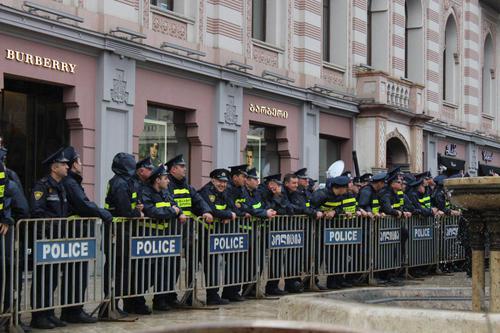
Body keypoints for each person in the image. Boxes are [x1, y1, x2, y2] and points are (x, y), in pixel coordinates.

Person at [60, 146, 111, 323]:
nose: (82, 164)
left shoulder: (73, 182)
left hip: (78, 234)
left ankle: (73, 309)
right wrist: (102, 213)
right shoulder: (70, 183)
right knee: (76, 273)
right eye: (79, 161)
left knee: (78, 272)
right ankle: (73, 311)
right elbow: (82, 204)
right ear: (73, 164)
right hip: (74, 234)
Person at [29, 148, 70, 329]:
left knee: (53, 277)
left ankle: (49, 312)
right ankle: (38, 316)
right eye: (63, 164)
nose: (67, 167)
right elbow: (37, 211)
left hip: (58, 239)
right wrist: (52, 225)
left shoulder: (61, 187)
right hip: (45, 238)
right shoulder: (42, 186)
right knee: (42, 278)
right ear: (54, 167)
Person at [166, 154, 213, 306]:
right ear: (173, 169)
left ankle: (189, 294)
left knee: (191, 263)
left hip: (187, 232)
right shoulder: (167, 185)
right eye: (182, 166)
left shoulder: (187, 186)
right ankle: (166, 297)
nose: (185, 169)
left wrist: (206, 211)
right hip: (171, 232)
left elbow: (199, 200)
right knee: (171, 266)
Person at [103, 152, 147, 316]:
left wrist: (136, 209)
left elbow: (132, 204)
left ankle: (115, 304)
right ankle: (110, 305)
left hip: (123, 231)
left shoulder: (125, 181)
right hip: (117, 232)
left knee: (121, 269)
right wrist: (137, 213)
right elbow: (124, 209)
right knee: (116, 269)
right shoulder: (120, 183)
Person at [141, 164, 186, 311]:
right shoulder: (146, 192)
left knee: (168, 268)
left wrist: (180, 213)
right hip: (150, 239)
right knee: (150, 271)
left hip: (166, 239)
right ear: (157, 180)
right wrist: (172, 211)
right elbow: (152, 211)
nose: (168, 181)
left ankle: (161, 299)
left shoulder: (165, 192)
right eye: (165, 178)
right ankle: (139, 301)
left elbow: (176, 205)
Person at [199, 168, 239, 304]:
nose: (222, 184)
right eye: (220, 181)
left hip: (221, 235)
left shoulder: (226, 192)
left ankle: (218, 294)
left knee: (218, 265)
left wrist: (229, 213)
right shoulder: (206, 191)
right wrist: (227, 215)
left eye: (224, 182)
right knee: (211, 265)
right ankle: (211, 296)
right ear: (213, 180)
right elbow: (211, 209)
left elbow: (234, 208)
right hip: (207, 234)